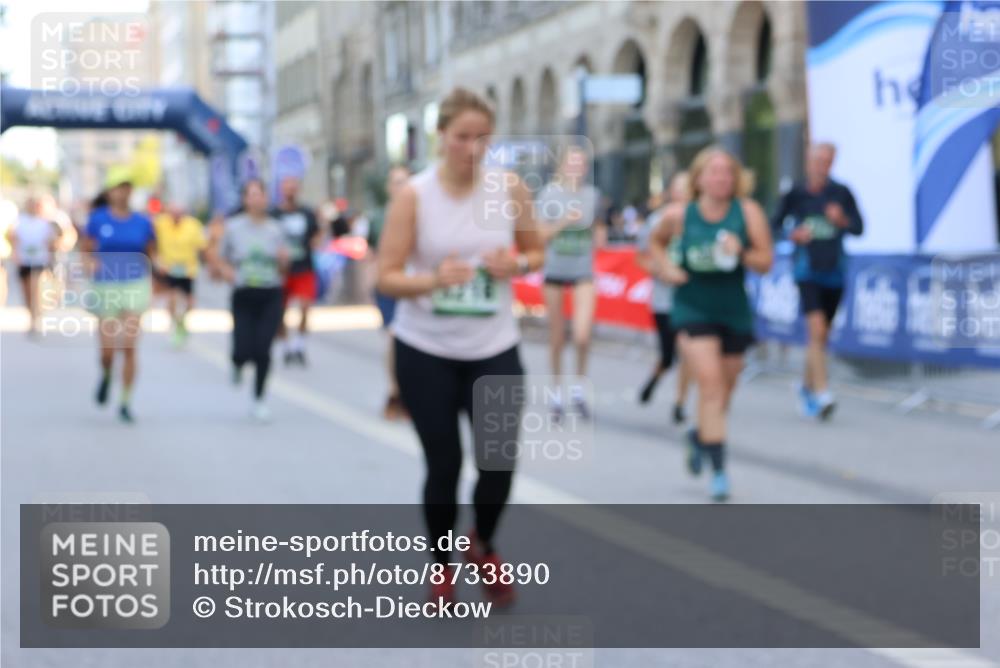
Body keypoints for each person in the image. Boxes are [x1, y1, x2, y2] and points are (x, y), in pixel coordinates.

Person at [377, 87, 544, 608]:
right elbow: (385, 277)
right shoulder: (415, 196)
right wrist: (433, 281)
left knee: (498, 460)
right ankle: (441, 564)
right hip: (425, 347)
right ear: (441, 138)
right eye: (462, 138)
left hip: (493, 344)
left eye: (483, 139)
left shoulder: (509, 187)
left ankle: (483, 543)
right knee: (444, 463)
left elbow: (535, 249)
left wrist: (515, 264)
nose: (472, 149)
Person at [650, 147, 774, 501]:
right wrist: (666, 268)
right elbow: (655, 244)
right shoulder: (679, 214)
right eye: (714, 172)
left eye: (727, 173)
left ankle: (699, 435)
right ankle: (719, 471)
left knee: (724, 391)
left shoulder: (747, 213)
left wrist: (742, 252)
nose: (721, 179)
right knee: (711, 386)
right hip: (692, 308)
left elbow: (765, 262)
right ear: (699, 178)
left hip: (733, 310)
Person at [771, 142, 863, 420]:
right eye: (817, 159)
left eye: (827, 160)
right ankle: (823, 393)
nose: (822, 164)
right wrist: (792, 234)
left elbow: (859, 228)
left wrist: (842, 219)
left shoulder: (841, 192)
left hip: (834, 270)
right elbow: (774, 225)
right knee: (817, 329)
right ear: (808, 161)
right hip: (806, 270)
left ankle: (805, 385)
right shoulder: (796, 194)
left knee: (822, 335)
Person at [82, 167, 157, 423]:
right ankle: (105, 373)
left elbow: (151, 253)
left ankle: (125, 401)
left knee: (129, 345)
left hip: (135, 284)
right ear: (110, 191)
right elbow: (86, 249)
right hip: (106, 286)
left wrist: (156, 279)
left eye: (127, 187)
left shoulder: (143, 222)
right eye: (118, 187)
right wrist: (90, 264)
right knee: (108, 350)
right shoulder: (98, 219)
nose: (123, 193)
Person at [211, 179, 289, 422]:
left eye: (260, 194)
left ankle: (259, 398)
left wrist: (283, 260)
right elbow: (219, 257)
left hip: (270, 293)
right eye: (251, 195)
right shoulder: (234, 228)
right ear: (245, 199)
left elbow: (285, 265)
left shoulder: (276, 229)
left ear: (266, 198)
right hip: (243, 293)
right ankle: (237, 363)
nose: (256, 199)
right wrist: (225, 271)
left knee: (263, 349)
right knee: (243, 348)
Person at [537, 145, 604, 419]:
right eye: (572, 162)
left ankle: (578, 387)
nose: (577, 168)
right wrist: (564, 221)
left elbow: (599, 225)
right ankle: (556, 393)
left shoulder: (592, 195)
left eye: (582, 163)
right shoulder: (549, 195)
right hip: (554, 269)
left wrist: (599, 235)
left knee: (582, 334)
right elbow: (541, 234)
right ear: (562, 166)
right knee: (556, 337)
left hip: (582, 269)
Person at [636, 174, 692, 424]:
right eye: (679, 189)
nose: (683, 194)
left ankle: (679, 403)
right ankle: (655, 377)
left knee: (688, 351)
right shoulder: (658, 220)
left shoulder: (698, 220)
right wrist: (659, 270)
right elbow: (641, 257)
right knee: (668, 356)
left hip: (689, 300)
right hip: (663, 299)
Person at [368, 164, 412, 420]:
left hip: (413, 285)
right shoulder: (377, 218)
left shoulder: (421, 214)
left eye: (405, 181)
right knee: (394, 336)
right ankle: (395, 391)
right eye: (396, 182)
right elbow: (372, 255)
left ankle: (410, 391)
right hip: (388, 285)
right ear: (389, 187)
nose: (401, 187)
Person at [272, 176, 321, 366]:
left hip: (304, 267)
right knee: (280, 311)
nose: (290, 191)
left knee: (305, 307)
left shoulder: (307, 213)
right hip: (281, 270)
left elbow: (317, 233)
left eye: (294, 187)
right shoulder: (274, 214)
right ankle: (287, 346)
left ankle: (300, 345)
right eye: (287, 187)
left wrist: (316, 241)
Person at [153, 202, 207, 347]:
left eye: (179, 214)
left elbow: (201, 246)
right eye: (173, 213)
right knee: (172, 298)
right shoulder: (161, 223)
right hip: (168, 267)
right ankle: (175, 323)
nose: (176, 217)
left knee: (190, 302)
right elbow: (152, 243)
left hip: (188, 268)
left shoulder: (193, 225)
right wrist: (157, 262)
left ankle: (182, 321)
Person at [7, 194, 61, 336]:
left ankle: (37, 314)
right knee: (27, 290)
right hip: (24, 260)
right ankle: (32, 313)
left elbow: (54, 238)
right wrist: (15, 252)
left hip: (39, 260)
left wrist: (52, 247)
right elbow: (12, 236)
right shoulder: (19, 220)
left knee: (36, 287)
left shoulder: (45, 221)